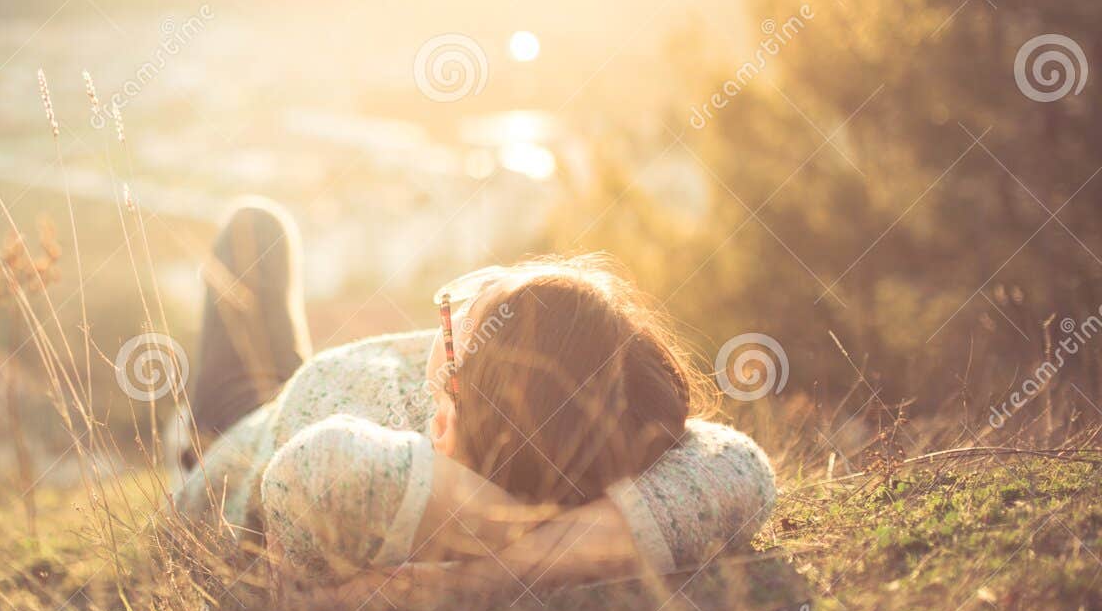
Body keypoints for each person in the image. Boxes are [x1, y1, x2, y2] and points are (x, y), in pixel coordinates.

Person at [174, 200, 776, 588]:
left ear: (444, 420)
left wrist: (472, 575)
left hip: (235, 435)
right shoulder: (564, 440)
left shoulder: (361, 468)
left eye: (461, 321)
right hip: (294, 402)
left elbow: (317, 466)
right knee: (261, 231)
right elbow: (740, 470)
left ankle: (182, 449)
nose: (454, 310)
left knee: (252, 230)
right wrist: (523, 546)